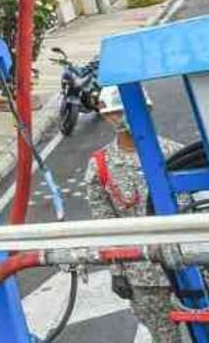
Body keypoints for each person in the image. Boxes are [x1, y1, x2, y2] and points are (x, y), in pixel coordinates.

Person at [84, 86, 184, 343]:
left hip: (190, 266)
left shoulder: (177, 154)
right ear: (106, 116)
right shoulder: (100, 165)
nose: (125, 117)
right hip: (143, 276)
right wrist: (116, 271)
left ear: (148, 110)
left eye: (133, 110)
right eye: (117, 112)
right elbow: (105, 225)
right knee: (165, 338)